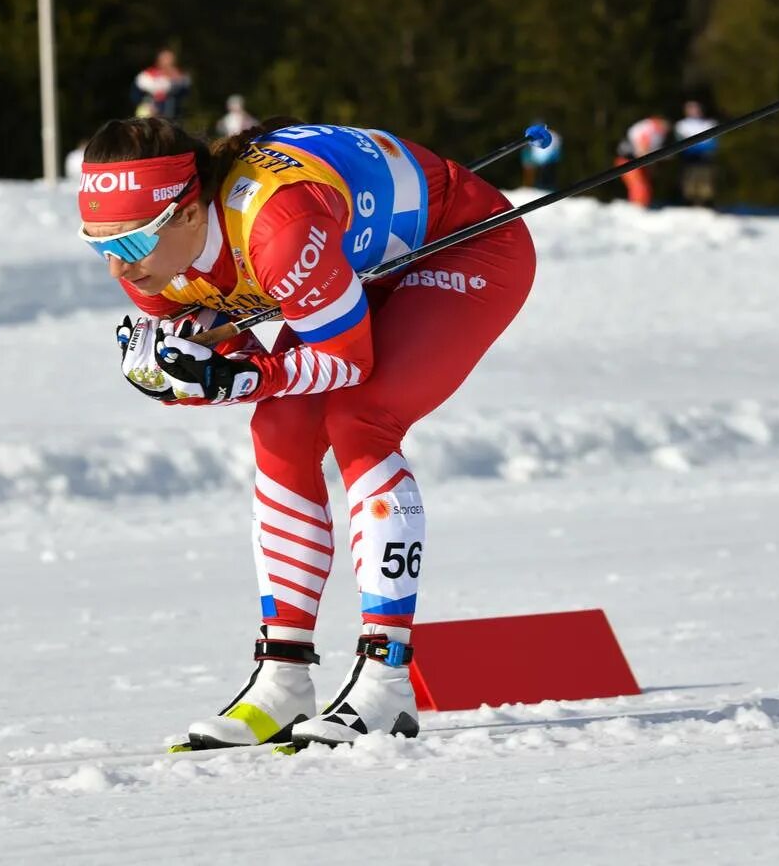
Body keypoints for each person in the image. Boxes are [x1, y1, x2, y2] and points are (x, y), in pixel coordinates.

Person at [77, 117, 535, 750]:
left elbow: (346, 360)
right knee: (281, 427)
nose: (114, 268)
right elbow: (231, 345)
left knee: (360, 418)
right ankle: (284, 678)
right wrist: (175, 372)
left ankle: (387, 679)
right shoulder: (158, 266)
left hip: (462, 245)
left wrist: (227, 378)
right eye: (98, 244)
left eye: (128, 245)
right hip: (357, 262)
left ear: (186, 214)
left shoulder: (275, 226)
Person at [674, 100, 719, 208]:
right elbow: (681, 141)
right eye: (691, 108)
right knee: (689, 180)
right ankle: (689, 203)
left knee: (705, 181)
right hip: (689, 158)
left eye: (696, 108)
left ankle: (705, 204)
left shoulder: (709, 123)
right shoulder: (681, 125)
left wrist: (703, 148)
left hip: (705, 158)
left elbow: (713, 142)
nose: (694, 111)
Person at [617, 116, 669, 209]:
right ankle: (637, 208)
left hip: (638, 161)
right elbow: (642, 149)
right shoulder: (647, 128)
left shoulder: (657, 133)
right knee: (639, 186)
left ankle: (641, 207)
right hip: (627, 161)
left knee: (644, 186)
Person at [132, 49, 192, 119]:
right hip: (150, 117)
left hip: (173, 118)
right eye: (165, 59)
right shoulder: (147, 76)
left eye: (170, 59)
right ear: (158, 61)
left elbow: (184, 95)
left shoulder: (180, 77)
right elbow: (135, 95)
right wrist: (147, 106)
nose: (168, 62)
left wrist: (177, 80)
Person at [521, 124, 562, 192]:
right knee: (541, 175)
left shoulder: (553, 134)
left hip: (550, 160)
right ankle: (541, 189)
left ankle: (549, 189)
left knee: (549, 175)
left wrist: (551, 157)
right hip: (541, 161)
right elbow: (535, 149)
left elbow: (555, 146)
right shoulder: (536, 135)